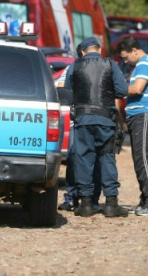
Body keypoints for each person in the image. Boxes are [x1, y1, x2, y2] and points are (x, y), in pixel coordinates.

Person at [64, 37, 129, 218]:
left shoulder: (75, 65)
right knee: (107, 158)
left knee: (83, 159)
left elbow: (68, 91)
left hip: (83, 119)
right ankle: (111, 203)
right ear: (99, 50)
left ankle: (85, 204)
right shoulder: (110, 64)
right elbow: (122, 90)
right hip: (105, 120)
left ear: (83, 51)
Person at [116, 36, 148, 217]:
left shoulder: (145, 63)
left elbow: (137, 89)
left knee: (143, 158)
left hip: (145, 115)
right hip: (137, 116)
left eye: (126, 57)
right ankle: (145, 199)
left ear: (135, 50)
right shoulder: (139, 66)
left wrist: (117, 89)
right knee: (138, 160)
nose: (126, 61)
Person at [57, 44, 102, 213]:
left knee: (93, 159)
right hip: (80, 120)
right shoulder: (73, 67)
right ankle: (72, 197)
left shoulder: (105, 67)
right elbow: (63, 89)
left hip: (95, 119)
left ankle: (91, 199)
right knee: (76, 158)